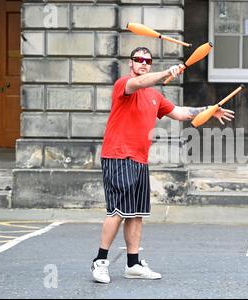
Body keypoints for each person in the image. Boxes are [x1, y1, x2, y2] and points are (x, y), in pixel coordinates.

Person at [91, 46, 235, 283]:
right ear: (131, 63)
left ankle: (133, 263)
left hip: (139, 159)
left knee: (136, 214)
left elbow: (180, 113)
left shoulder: (155, 97)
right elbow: (142, 82)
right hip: (117, 156)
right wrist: (166, 72)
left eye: (147, 60)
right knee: (117, 211)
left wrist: (208, 110)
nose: (143, 63)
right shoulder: (124, 85)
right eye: (138, 59)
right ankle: (99, 261)